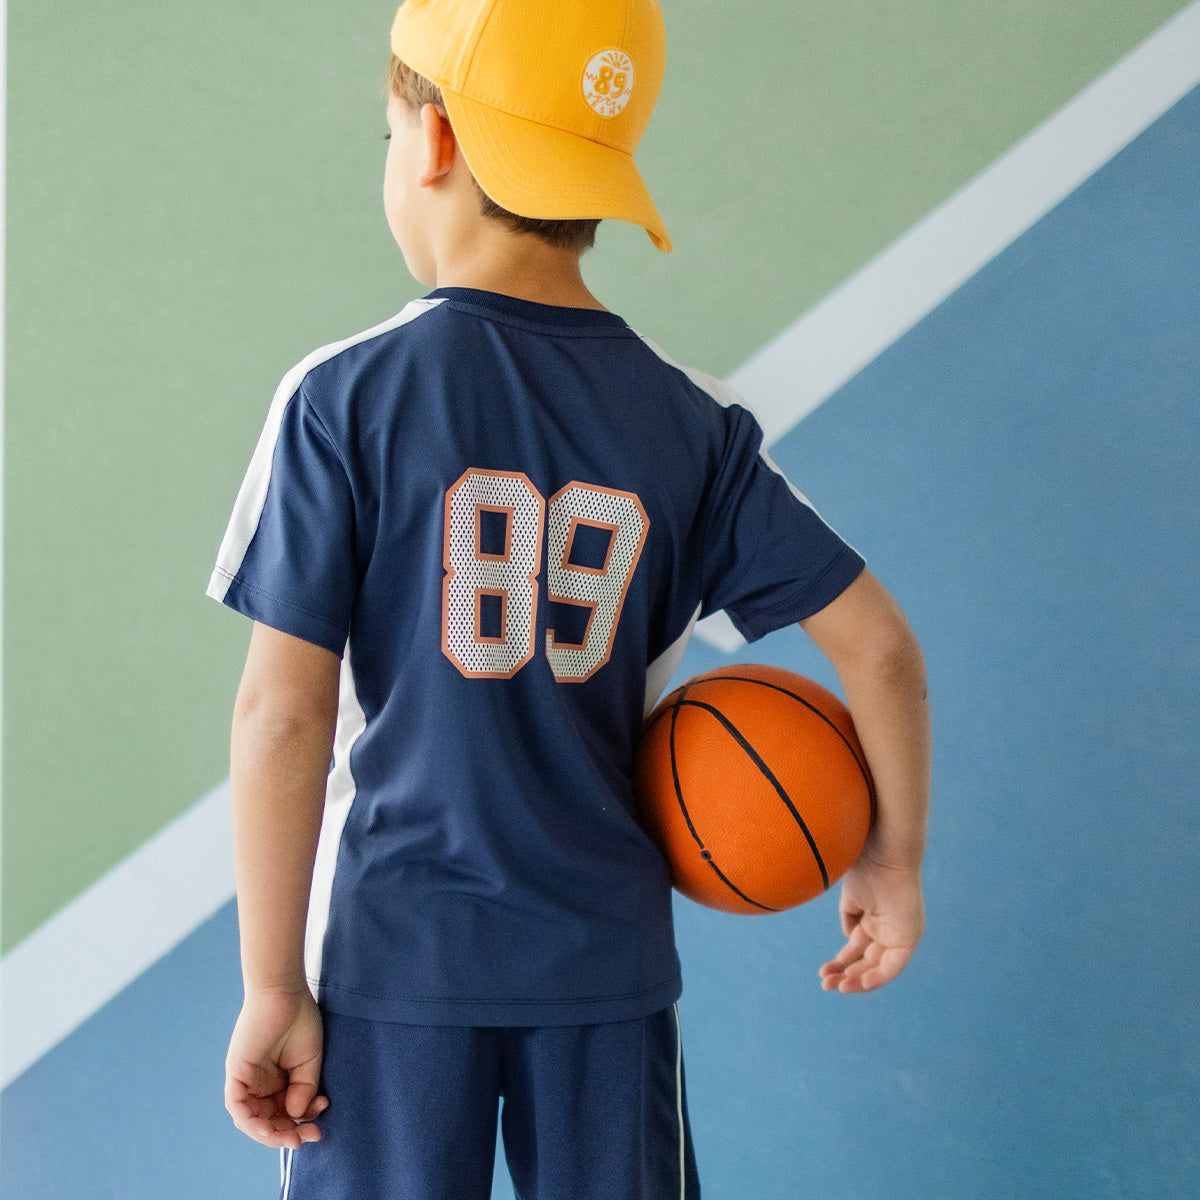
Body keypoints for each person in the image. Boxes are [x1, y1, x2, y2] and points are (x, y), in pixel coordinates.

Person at [211, 1, 931, 1197]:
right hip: (606, 967)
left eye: (387, 136)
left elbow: (279, 719)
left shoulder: (342, 398)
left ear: (432, 141)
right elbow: (884, 652)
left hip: (398, 962)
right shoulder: (695, 423)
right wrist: (890, 862)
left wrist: (273, 988)